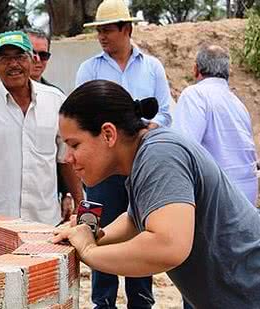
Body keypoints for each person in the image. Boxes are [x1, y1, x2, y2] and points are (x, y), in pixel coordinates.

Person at [53, 79, 260, 309]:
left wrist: (89, 251)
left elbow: (167, 245)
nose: (67, 157)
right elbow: (135, 220)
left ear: (108, 134)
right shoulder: (145, 155)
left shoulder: (160, 154)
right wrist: (94, 234)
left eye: (74, 145)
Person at [74, 0, 173, 307]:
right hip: (101, 169)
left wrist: (146, 126)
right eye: (99, 31)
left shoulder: (152, 67)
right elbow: (80, 117)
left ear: (126, 29)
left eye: (108, 30)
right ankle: (101, 302)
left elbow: (167, 114)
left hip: (138, 167)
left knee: (141, 230)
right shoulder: (88, 69)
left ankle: (141, 301)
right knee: (97, 231)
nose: (102, 36)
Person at [0, 31, 83, 226]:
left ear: (32, 60)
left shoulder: (56, 100)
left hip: (45, 220)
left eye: (20, 57)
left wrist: (79, 201)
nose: (13, 64)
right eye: (5, 58)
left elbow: (65, 159)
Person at [173, 44, 257, 206]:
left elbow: (182, 151)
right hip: (247, 199)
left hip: (218, 199)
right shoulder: (238, 104)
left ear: (196, 69)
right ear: (228, 72)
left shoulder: (194, 95)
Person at [25, 27, 75, 213]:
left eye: (43, 54)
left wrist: (68, 194)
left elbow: (64, 154)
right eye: (32, 53)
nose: (37, 60)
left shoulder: (58, 99)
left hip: (46, 208)